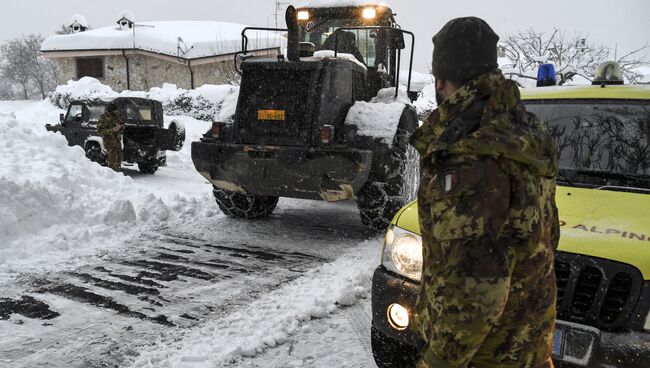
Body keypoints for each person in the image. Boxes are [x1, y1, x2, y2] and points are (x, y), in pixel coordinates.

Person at [409, 17, 560, 368]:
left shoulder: (470, 151)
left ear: (441, 79)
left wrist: (435, 362)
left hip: (484, 355)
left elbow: (477, 289)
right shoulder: (522, 130)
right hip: (528, 344)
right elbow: (547, 234)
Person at [97, 102, 124, 171]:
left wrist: (120, 127)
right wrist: (112, 130)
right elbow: (100, 131)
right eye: (115, 110)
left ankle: (117, 172)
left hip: (117, 141)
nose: (117, 111)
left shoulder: (115, 117)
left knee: (119, 157)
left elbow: (121, 124)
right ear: (112, 110)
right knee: (112, 159)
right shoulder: (104, 118)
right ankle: (112, 173)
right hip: (110, 142)